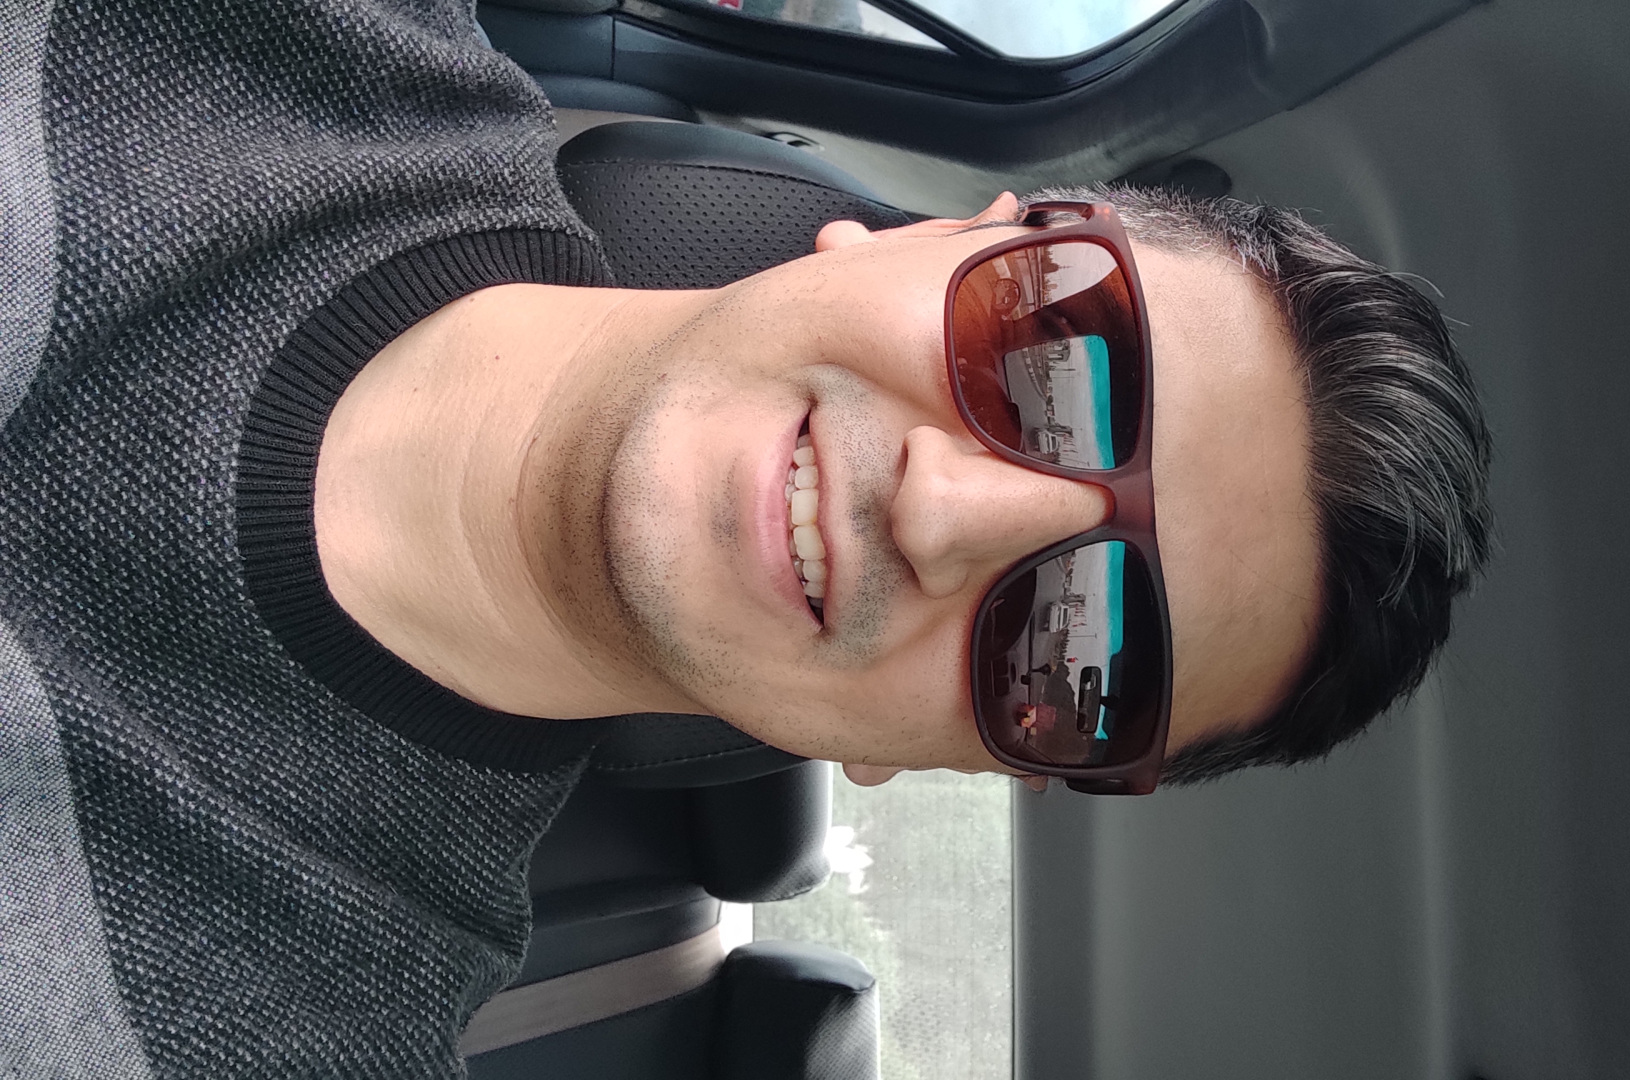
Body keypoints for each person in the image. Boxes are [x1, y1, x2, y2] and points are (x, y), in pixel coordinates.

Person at [0, 0, 1489, 1074]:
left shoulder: (251, 1034)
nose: (946, 511)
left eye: (1071, 644)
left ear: (941, 755)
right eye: (1056, 364)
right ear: (947, 233)